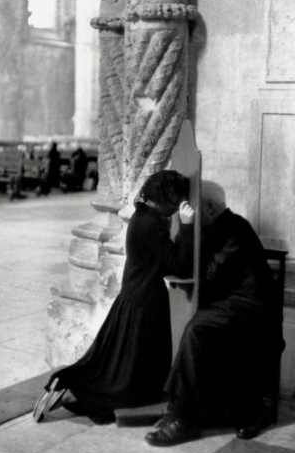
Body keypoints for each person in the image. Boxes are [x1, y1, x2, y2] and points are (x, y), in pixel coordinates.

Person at [33, 170, 195, 423]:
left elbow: (159, 260)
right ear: (162, 198)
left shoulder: (142, 215)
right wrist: (186, 228)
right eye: (174, 203)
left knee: (114, 365)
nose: (175, 209)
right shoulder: (152, 224)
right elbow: (179, 265)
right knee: (129, 382)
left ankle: (66, 384)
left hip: (133, 297)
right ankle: (73, 388)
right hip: (145, 303)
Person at [145, 181, 285, 446]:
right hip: (233, 303)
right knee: (192, 325)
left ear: (209, 208)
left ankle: (183, 420)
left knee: (197, 330)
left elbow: (209, 277)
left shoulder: (235, 229)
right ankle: (180, 410)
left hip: (252, 310)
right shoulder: (217, 227)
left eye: (194, 208)